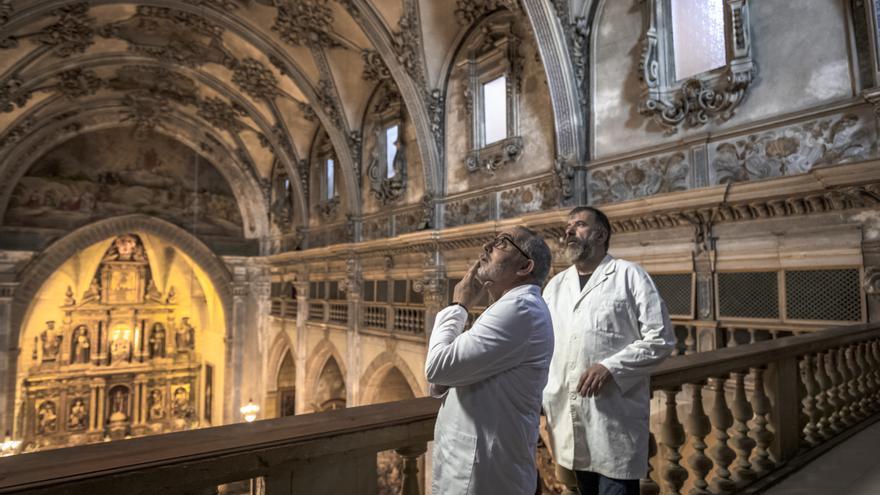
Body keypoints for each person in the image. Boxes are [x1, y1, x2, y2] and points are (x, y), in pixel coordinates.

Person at [542, 206, 675, 495]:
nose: (569, 232)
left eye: (578, 225)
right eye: (568, 227)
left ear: (600, 234)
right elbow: (541, 345)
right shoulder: (554, 287)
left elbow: (662, 338)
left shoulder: (629, 276)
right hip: (567, 417)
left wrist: (610, 367)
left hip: (612, 419)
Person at [425, 226, 554, 494]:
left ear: (524, 267)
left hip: (487, 473)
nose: (487, 246)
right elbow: (442, 381)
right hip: (472, 464)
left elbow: (436, 368)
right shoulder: (506, 308)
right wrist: (447, 375)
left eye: (502, 243)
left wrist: (458, 305)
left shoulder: (520, 309)